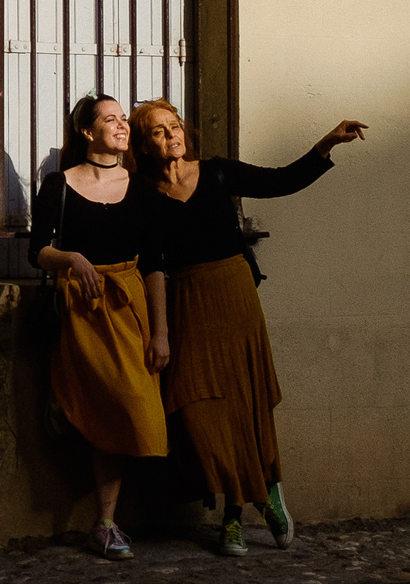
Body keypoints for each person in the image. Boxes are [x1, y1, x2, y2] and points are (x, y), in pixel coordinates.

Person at [130, 100, 368, 556]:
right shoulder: (142, 193)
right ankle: (262, 492)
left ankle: (236, 513)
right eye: (158, 132)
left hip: (233, 291)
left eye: (175, 127)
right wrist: (159, 331)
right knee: (197, 410)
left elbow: (280, 181)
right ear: (144, 145)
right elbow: (152, 262)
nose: (171, 137)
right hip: (185, 302)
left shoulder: (217, 172)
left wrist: (326, 143)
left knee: (246, 403)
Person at [30, 94, 171, 561]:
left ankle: (105, 520)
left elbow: (154, 263)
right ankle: (106, 524)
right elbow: (38, 251)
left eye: (124, 119)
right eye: (110, 119)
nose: (122, 125)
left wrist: (161, 332)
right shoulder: (60, 185)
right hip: (83, 310)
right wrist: (70, 258)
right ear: (87, 132)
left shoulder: (143, 187)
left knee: (134, 408)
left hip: (130, 307)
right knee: (105, 406)